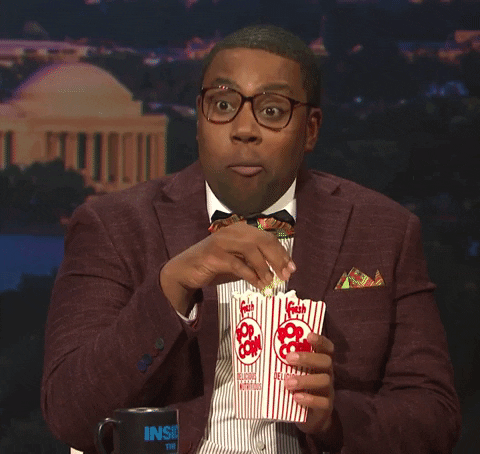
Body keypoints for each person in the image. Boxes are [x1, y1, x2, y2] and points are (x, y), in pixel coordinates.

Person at [41, 24, 461, 454]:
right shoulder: (114, 226)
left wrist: (332, 419)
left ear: (311, 129)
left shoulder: (384, 229)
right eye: (223, 105)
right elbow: (69, 412)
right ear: (200, 119)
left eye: (272, 110)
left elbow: (435, 417)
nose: (244, 130)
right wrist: (171, 288)